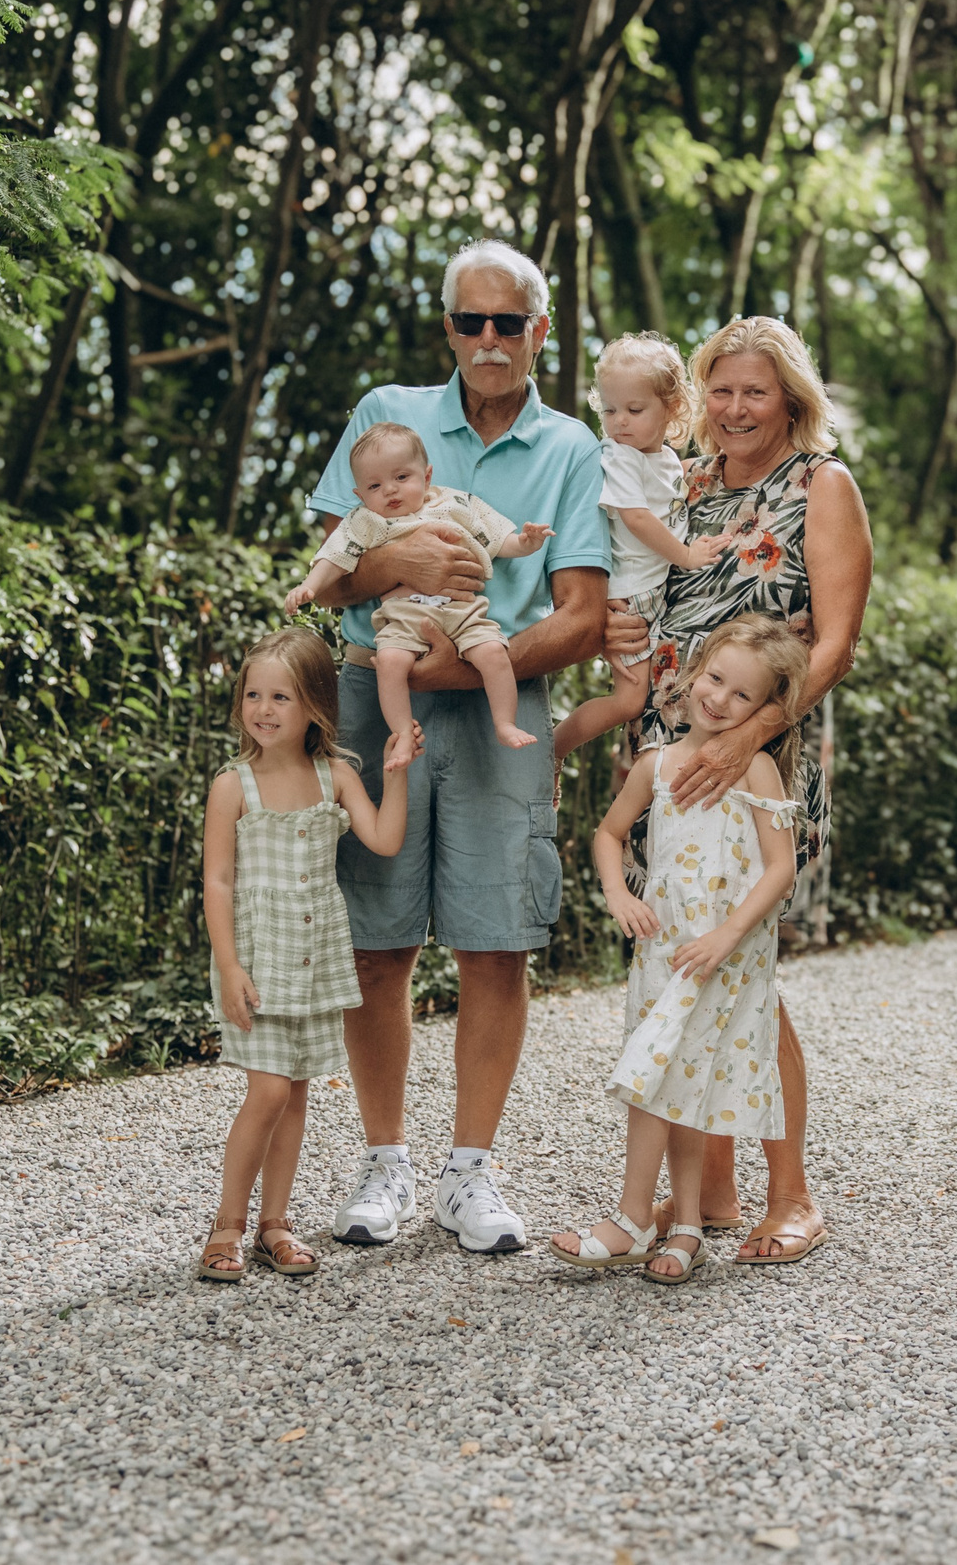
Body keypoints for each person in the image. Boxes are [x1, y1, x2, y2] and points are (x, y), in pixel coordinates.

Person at [301, 238, 625, 1254]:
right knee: (377, 937)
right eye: (470, 321)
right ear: (448, 328)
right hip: (373, 697)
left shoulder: (573, 447)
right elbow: (328, 569)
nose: (489, 340)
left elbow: (581, 615)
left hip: (500, 700)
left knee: (497, 944)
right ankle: (384, 1164)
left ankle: (469, 1174)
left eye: (509, 322)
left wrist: (460, 666)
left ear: (540, 331)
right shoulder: (384, 419)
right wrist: (393, 561)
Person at [635, 317, 872, 1266]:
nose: (735, 409)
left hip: (761, 762)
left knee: (745, 972)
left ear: (791, 400)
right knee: (684, 965)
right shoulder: (682, 485)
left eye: (756, 392)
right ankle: (711, 1192)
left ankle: (793, 1193)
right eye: (721, 390)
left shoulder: (822, 485)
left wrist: (746, 738)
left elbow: (835, 643)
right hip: (671, 753)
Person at [554, 616, 807, 1284]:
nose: (720, 699)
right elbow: (610, 833)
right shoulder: (656, 764)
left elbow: (779, 867)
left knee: (665, 1079)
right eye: (716, 678)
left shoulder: (753, 767)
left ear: (764, 710)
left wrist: (728, 935)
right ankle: (688, 1225)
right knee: (667, 1078)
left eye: (742, 695)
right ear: (695, 673)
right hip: (663, 950)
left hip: (723, 954)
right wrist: (619, 893)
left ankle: (634, 1217)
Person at [196, 631, 418, 1282]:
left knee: (294, 1094)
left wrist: (397, 773)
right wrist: (229, 967)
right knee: (266, 1090)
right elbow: (217, 882)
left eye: (281, 697)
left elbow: (384, 836)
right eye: (253, 694)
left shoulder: (336, 776)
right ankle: (226, 1226)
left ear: (315, 704)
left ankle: (274, 1224)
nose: (263, 709)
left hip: (313, 956)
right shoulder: (233, 785)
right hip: (259, 958)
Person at [286, 421, 555, 751]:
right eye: (374, 486)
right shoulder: (366, 521)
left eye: (401, 478)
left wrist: (527, 542)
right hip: (403, 617)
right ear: (359, 495)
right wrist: (309, 586)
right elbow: (335, 555)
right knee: (388, 663)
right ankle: (402, 734)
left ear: (426, 476)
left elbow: (497, 540)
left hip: (463, 611)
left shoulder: (453, 505)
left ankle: (504, 722)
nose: (390, 490)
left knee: (494, 654)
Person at [550, 335, 727, 762]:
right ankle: (553, 749)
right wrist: (686, 555)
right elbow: (636, 517)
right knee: (629, 701)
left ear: (672, 409)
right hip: (630, 596)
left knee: (648, 693)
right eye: (609, 410)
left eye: (634, 410)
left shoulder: (664, 458)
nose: (619, 422)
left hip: (652, 589)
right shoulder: (620, 456)